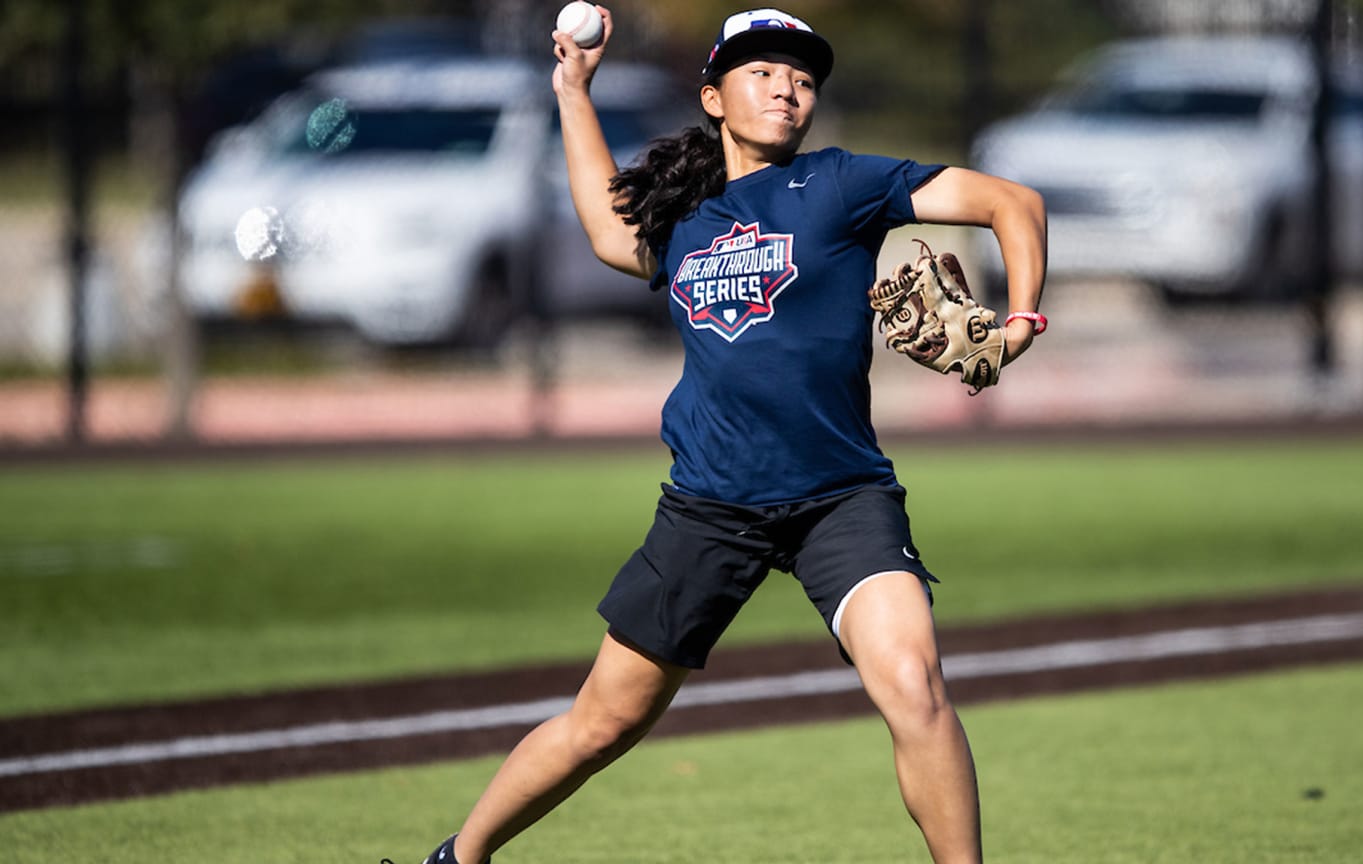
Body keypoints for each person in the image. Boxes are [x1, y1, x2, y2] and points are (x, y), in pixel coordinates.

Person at [392, 7, 1045, 864]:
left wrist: (1023, 315)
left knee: (915, 685)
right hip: (710, 503)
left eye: (803, 78)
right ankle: (461, 856)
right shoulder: (684, 222)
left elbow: (1011, 201)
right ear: (714, 95)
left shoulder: (842, 183)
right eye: (763, 71)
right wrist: (572, 90)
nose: (787, 87)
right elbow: (602, 228)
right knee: (605, 721)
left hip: (840, 497)